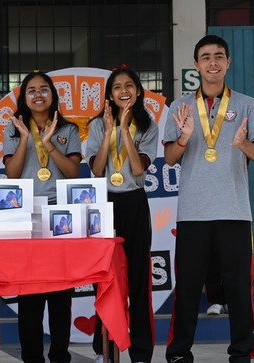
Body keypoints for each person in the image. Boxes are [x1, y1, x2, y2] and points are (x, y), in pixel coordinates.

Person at [163, 34, 254, 363]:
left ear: (228, 62)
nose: (213, 62)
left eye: (219, 56)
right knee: (189, 288)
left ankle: (242, 353)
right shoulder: (180, 107)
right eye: (206, 57)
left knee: (238, 289)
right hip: (192, 213)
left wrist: (241, 145)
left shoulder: (246, 104)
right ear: (196, 65)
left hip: (234, 211)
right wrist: (185, 137)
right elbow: (169, 159)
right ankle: (179, 353)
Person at [3, 71, 82, 363]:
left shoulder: (69, 129)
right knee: (30, 295)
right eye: (31, 90)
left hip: (62, 213)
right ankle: (32, 357)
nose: (38, 95)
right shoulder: (13, 131)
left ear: (53, 94)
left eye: (44, 89)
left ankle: (60, 355)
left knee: (61, 294)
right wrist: (25, 137)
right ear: (23, 98)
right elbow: (11, 175)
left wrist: (49, 144)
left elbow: (73, 172)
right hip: (26, 215)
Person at [84, 65, 158, 363]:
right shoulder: (97, 124)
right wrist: (108, 132)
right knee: (106, 278)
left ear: (138, 91)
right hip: (104, 204)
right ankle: (105, 347)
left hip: (135, 203)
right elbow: (98, 168)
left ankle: (141, 352)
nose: (123, 90)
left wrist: (126, 130)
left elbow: (138, 170)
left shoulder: (147, 124)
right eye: (117, 87)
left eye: (129, 85)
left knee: (138, 278)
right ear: (110, 94)